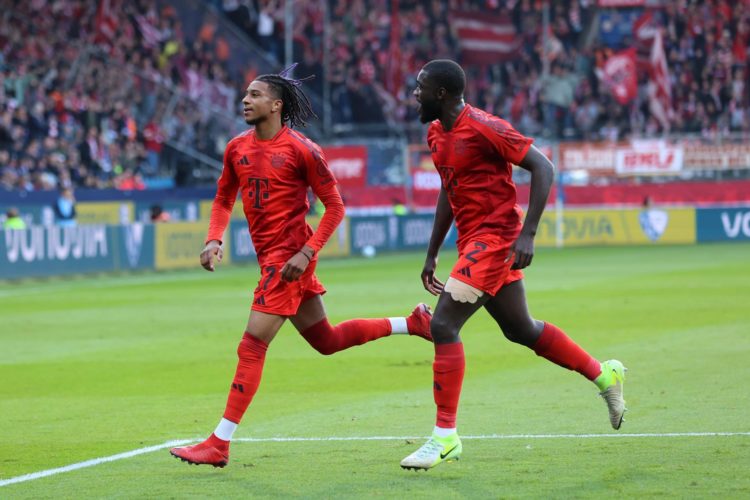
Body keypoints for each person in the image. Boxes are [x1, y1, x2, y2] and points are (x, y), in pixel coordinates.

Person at [169, 64, 433, 468]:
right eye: (246, 93)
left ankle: (219, 442)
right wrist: (213, 238)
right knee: (325, 340)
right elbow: (224, 198)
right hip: (278, 261)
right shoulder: (236, 148)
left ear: (275, 105)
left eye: (255, 95)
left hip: (288, 259)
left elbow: (335, 207)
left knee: (252, 344)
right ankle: (411, 323)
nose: (245, 99)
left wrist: (306, 252)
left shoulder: (303, 150)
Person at [400, 60, 627, 471]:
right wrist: (433, 250)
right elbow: (449, 192)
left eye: (420, 87)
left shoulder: (486, 126)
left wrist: (529, 232)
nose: (413, 94)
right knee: (521, 329)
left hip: (497, 238)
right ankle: (604, 375)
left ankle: (444, 437)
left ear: (441, 94)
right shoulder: (435, 134)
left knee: (443, 325)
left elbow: (544, 166)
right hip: (472, 242)